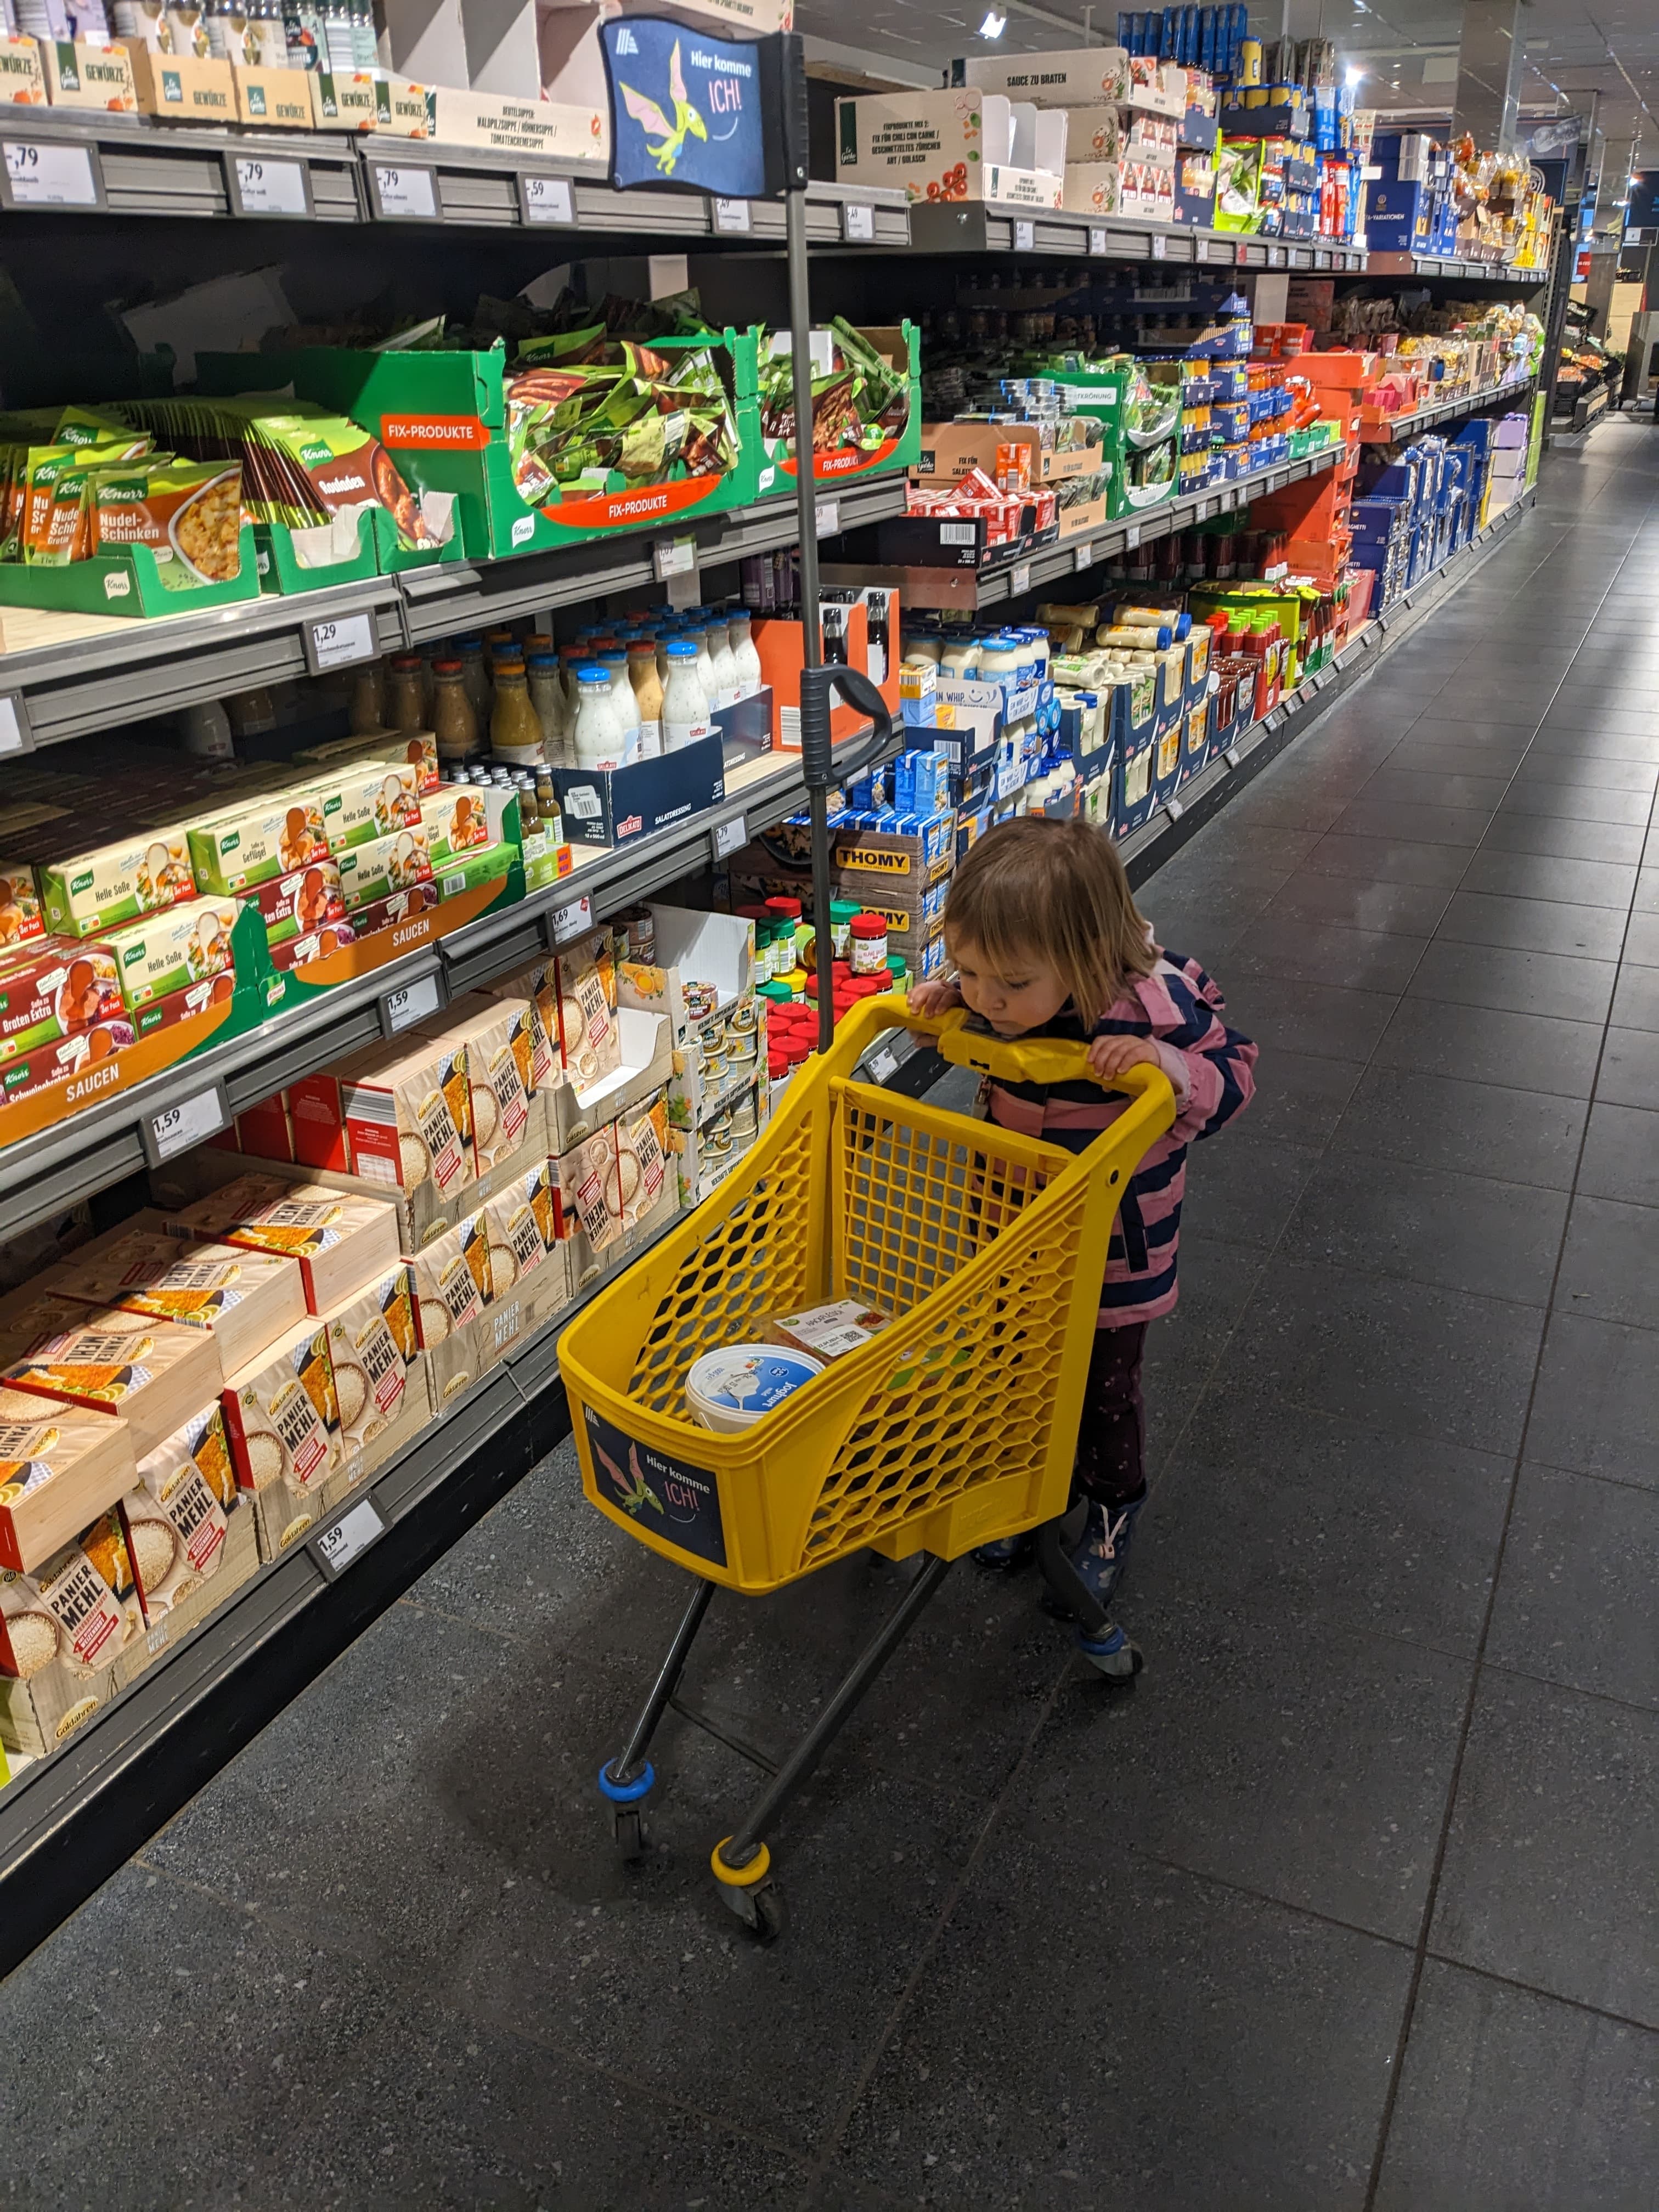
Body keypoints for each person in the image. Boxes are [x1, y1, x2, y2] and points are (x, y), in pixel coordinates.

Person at [908, 816, 1257, 1618]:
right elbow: (981, 998)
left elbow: (1234, 1072)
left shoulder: (1151, 1006)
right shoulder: (998, 996)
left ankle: (1111, 1506)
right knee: (1017, 1371)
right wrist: (946, 1000)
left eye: (1011, 981)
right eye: (967, 969)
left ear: (1087, 954)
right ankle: (1032, 1492)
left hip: (1112, 1252)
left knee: (1105, 1388)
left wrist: (1171, 1069)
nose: (988, 999)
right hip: (1014, 1234)